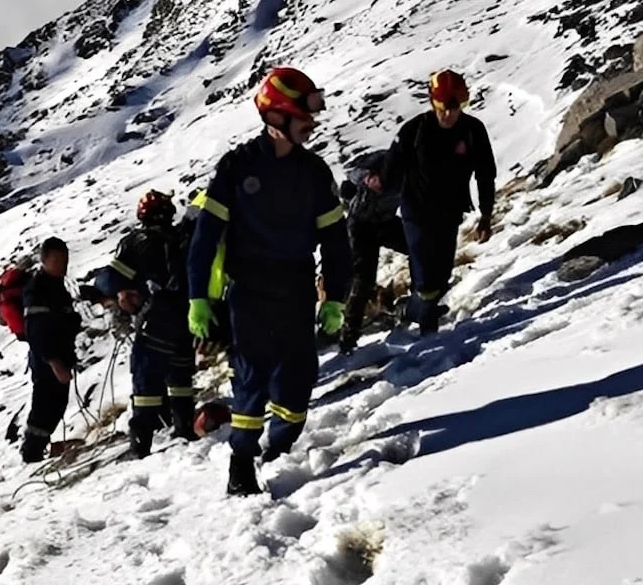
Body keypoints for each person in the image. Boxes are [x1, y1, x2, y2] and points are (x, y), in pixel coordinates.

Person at [186, 66, 353, 496]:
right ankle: (241, 463)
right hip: (248, 294)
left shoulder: (315, 173)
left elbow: (336, 243)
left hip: (296, 291)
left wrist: (335, 298)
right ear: (276, 116)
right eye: (304, 116)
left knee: (297, 384)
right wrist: (197, 299)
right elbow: (204, 240)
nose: (312, 125)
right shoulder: (237, 167)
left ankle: (280, 445)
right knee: (251, 379)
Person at [380, 69, 497, 333]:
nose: (449, 114)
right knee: (426, 275)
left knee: (442, 275)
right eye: (444, 107)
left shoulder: (473, 131)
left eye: (457, 107)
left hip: (450, 213)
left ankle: (410, 309)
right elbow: (390, 170)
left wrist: (486, 215)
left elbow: (485, 173)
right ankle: (428, 331)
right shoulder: (414, 131)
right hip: (416, 212)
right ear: (433, 102)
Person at [95, 190, 198, 458]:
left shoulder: (138, 242)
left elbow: (110, 280)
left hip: (154, 321)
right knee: (181, 379)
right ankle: (184, 428)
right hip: (187, 320)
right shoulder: (184, 238)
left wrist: (113, 292)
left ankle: (140, 445)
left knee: (145, 383)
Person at [335, 149, 408, 354]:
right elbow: (350, 171)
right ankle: (349, 336)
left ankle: (418, 303)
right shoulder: (383, 158)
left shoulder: (417, 169)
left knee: (421, 250)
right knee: (363, 279)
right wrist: (368, 177)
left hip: (386, 221)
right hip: (361, 225)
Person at [21, 237, 83, 463]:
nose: (63, 265)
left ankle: (38, 449)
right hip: (47, 361)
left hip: (59, 356)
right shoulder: (37, 289)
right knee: (45, 406)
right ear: (45, 260)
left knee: (55, 405)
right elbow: (36, 331)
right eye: (57, 260)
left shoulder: (56, 287)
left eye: (65, 260)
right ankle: (31, 454)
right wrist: (54, 362)